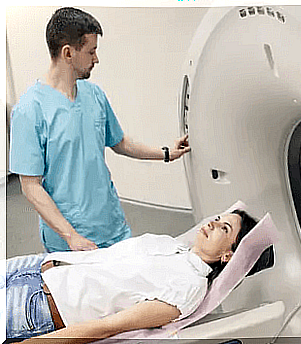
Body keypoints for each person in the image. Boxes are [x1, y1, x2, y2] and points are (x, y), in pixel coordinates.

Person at [9, 7, 191, 253]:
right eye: (91, 51)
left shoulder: (94, 95)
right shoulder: (30, 110)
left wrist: (166, 153)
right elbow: (30, 186)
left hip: (112, 227)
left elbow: (120, 142)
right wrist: (71, 236)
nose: (96, 59)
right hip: (69, 241)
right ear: (68, 53)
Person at [5, 210, 259, 343]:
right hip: (34, 265)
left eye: (224, 228)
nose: (213, 224)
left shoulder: (188, 289)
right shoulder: (170, 244)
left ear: (228, 255)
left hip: (36, 307)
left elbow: (107, 328)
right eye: (217, 219)